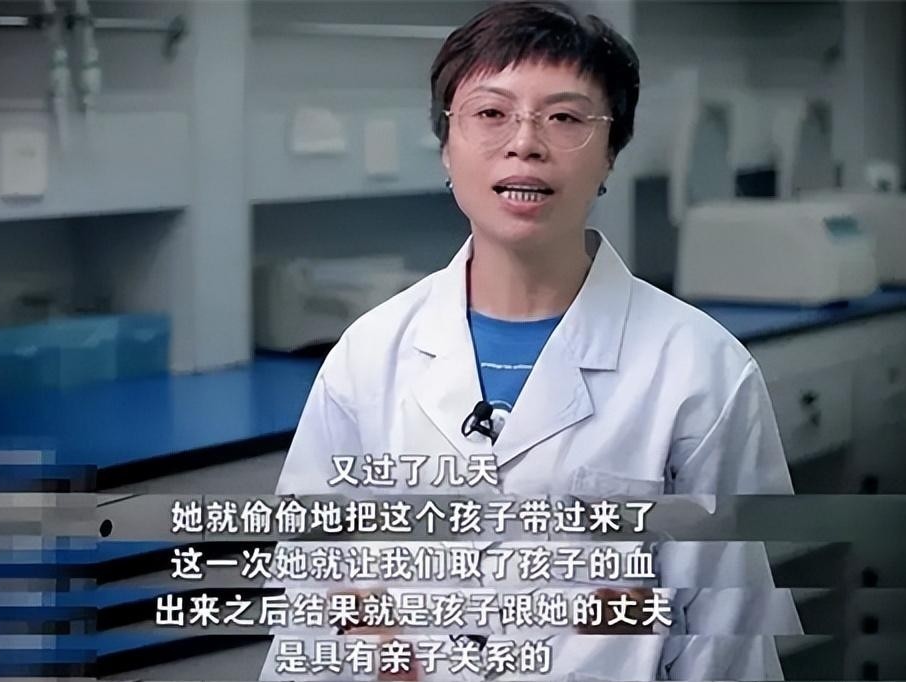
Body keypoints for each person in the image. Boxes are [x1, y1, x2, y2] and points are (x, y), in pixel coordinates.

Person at [267, 2, 802, 679]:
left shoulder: (701, 371)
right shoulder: (369, 356)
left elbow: (726, 635)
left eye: (566, 118)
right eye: (491, 113)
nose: (525, 142)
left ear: (610, 154)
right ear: (446, 147)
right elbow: (310, 581)